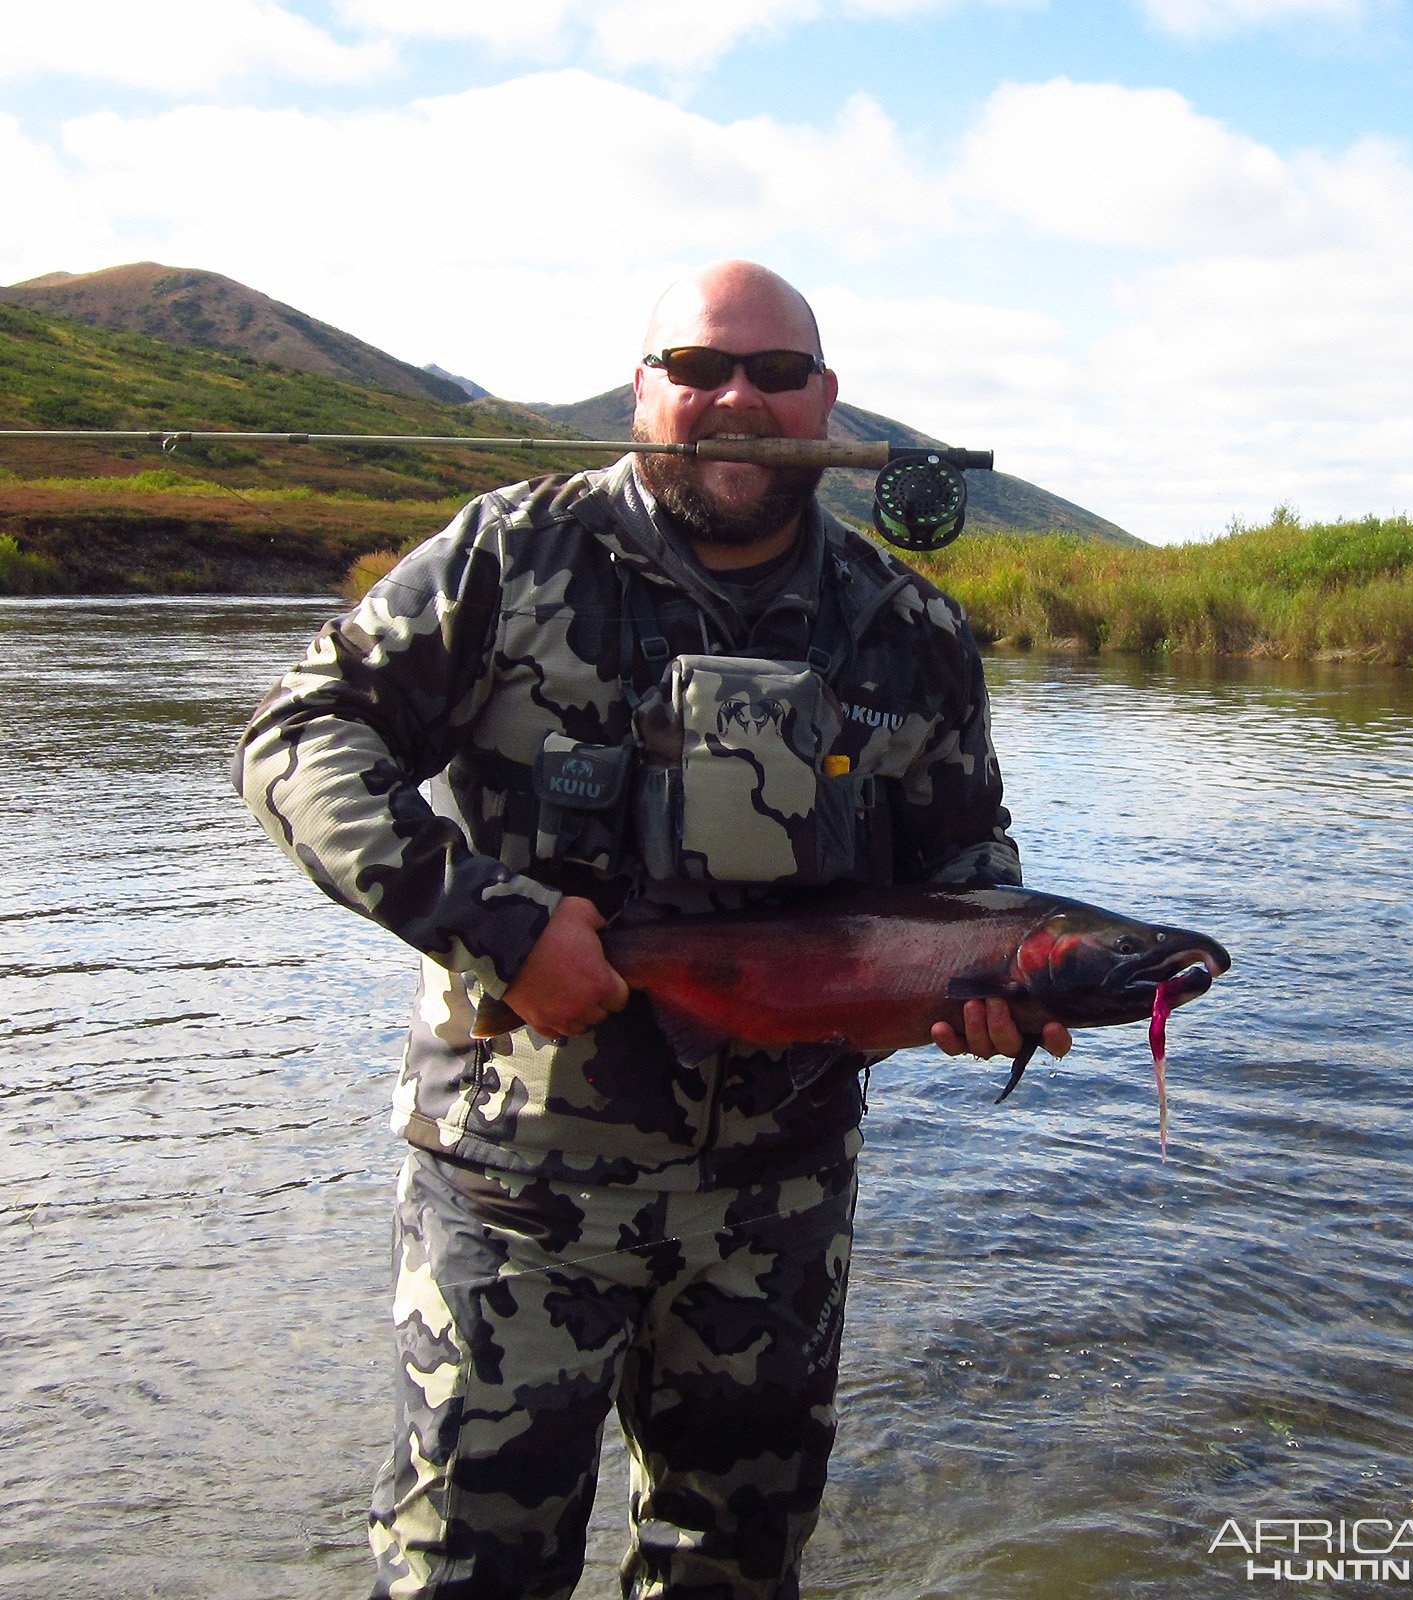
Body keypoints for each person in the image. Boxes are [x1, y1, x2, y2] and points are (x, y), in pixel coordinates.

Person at [234, 259, 1070, 1600]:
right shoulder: (511, 555)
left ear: (828, 404)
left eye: (776, 374)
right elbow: (295, 735)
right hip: (515, 1189)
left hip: (777, 1198)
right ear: (643, 391)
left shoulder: (908, 629)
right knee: (467, 1570)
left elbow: (967, 876)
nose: (737, 397)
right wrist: (493, 924)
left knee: (735, 1569)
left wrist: (981, 992)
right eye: (698, 369)